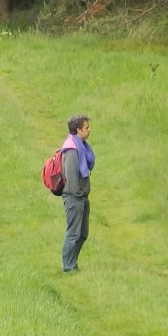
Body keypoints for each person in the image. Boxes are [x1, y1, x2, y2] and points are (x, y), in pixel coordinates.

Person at [59, 114, 94, 272]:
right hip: (75, 197)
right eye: (86, 127)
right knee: (73, 233)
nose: (89, 130)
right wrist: (79, 194)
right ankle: (68, 267)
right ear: (78, 130)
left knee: (82, 233)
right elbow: (71, 175)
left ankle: (73, 263)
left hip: (82, 196)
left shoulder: (81, 146)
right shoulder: (71, 149)